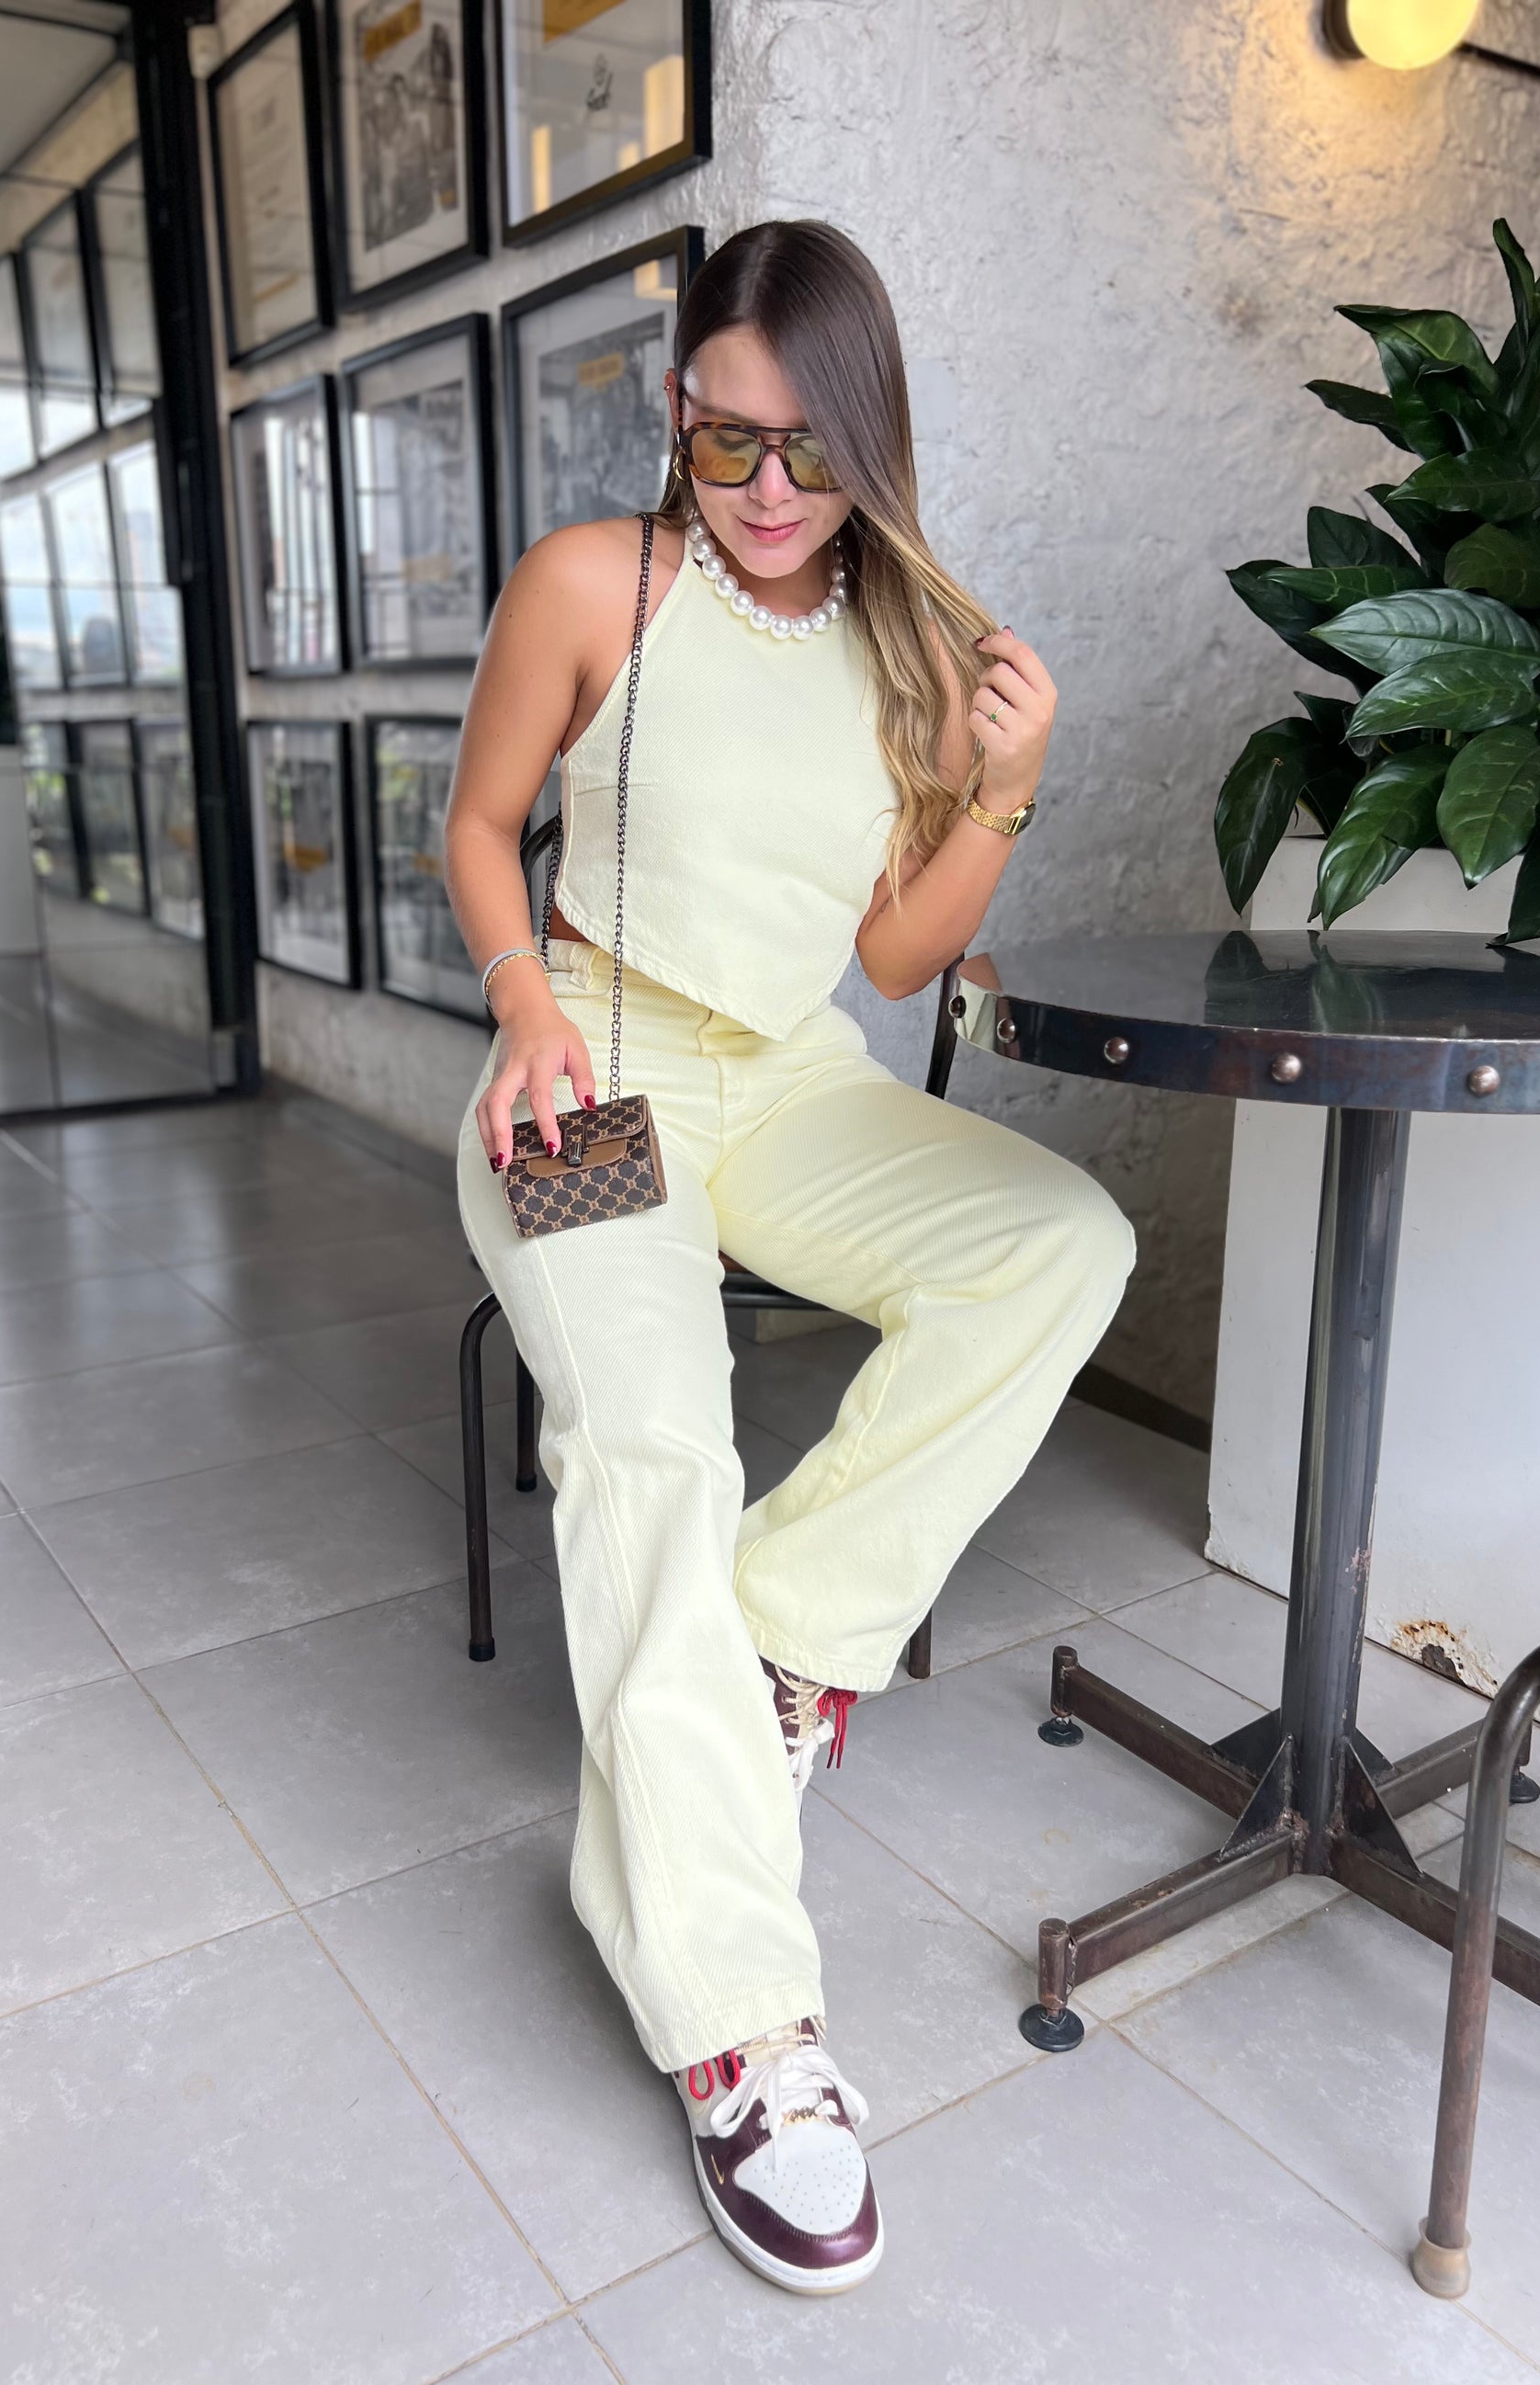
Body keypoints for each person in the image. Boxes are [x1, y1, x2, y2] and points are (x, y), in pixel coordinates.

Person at [445, 219, 1134, 2296]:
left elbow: (896, 956)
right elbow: (477, 826)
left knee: (1055, 1242)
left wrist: (1004, 787)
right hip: (593, 1072)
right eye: (723, 438)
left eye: (806, 452)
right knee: (654, 1444)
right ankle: (742, 2026)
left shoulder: (915, 644)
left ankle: (775, 1659)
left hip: (790, 1082)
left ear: (868, 438)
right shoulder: (596, 583)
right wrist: (525, 1003)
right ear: (678, 409)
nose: (762, 488)